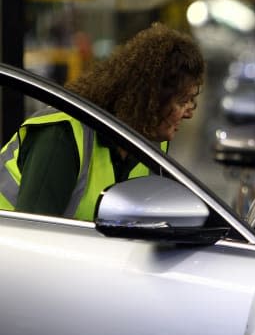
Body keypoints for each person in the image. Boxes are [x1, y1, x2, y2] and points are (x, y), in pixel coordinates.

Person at [0, 22, 205, 221]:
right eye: (182, 101)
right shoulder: (61, 136)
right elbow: (35, 237)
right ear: (150, 99)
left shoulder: (151, 142)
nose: (189, 114)